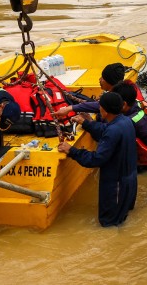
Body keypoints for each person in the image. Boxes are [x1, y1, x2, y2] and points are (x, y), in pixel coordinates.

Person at [58, 91, 137, 227]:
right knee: (122, 218)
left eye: (100, 107)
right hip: (129, 181)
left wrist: (72, 150)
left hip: (115, 186)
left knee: (109, 224)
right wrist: (87, 123)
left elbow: (95, 159)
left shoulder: (113, 130)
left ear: (105, 111)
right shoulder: (126, 121)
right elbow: (107, 130)